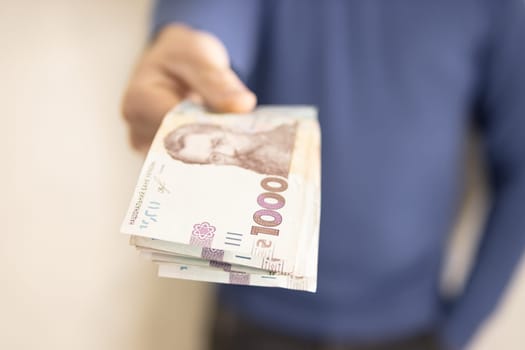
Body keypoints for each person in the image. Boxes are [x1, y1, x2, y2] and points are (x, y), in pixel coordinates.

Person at [121, 1, 525, 349]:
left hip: (413, 327)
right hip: (252, 323)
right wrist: (192, 41)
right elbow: (214, 16)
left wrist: (458, 331)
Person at [163, 122, 297, 177]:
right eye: (214, 158)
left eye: (218, 142)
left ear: (226, 128)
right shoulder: (266, 169)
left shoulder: (289, 129)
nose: (227, 154)